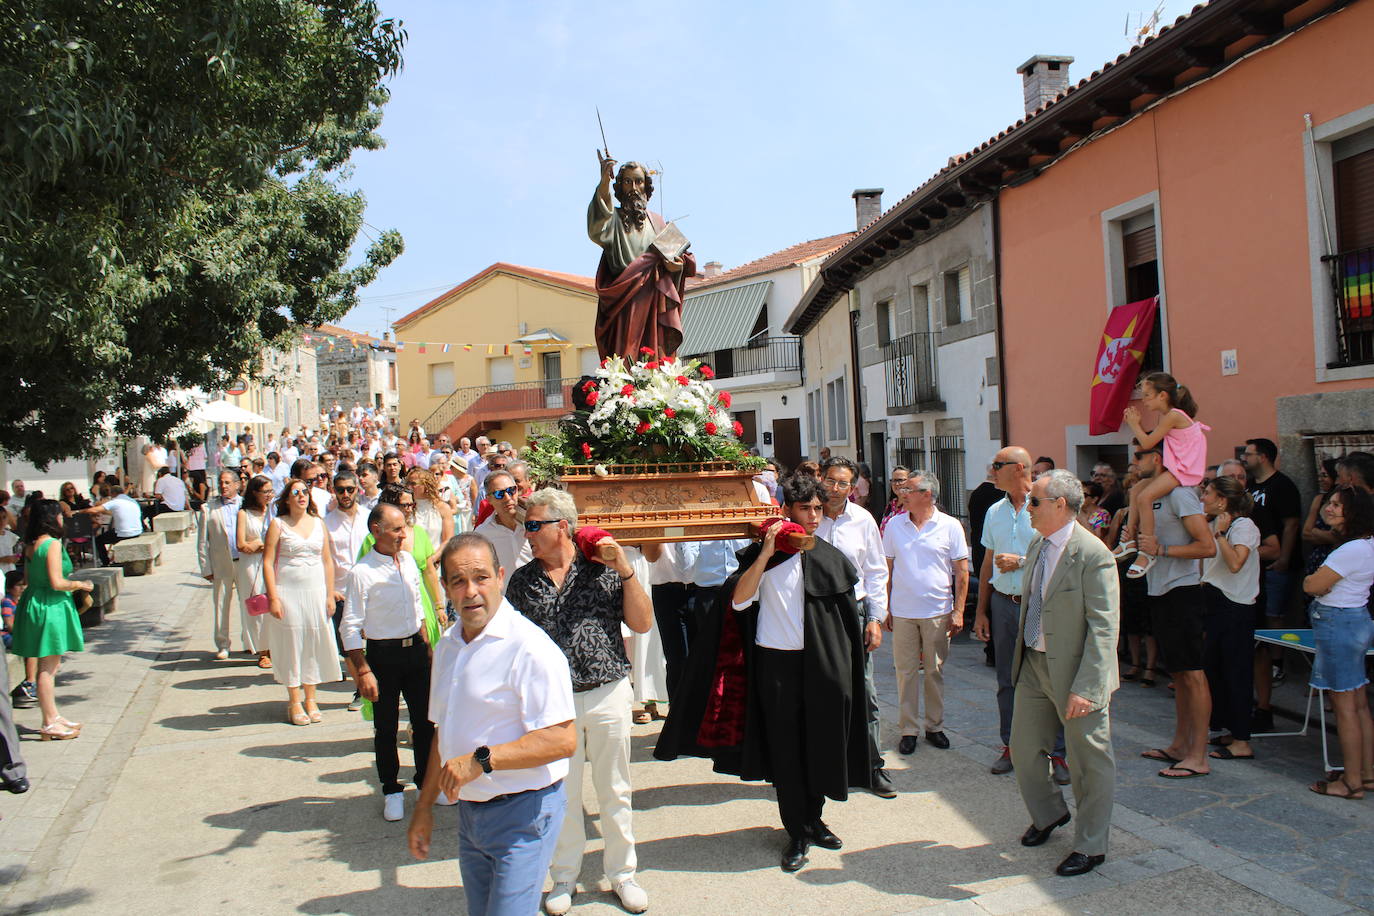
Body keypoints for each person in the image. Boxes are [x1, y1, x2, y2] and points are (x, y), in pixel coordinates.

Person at [655, 475, 871, 873]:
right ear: (786, 510)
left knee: (821, 745)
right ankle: (797, 831)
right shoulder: (763, 556)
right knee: (786, 751)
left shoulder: (829, 557)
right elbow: (738, 602)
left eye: (817, 509)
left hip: (821, 667)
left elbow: (845, 617)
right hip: (775, 667)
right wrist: (767, 550)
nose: (812, 516)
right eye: (804, 508)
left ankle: (815, 818)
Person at [408, 534, 577, 916]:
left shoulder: (530, 648)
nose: (471, 591)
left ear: (500, 576)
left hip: (524, 814)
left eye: (481, 577)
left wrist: (481, 760)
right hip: (471, 816)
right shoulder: (450, 646)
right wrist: (423, 808)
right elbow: (443, 733)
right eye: (458, 581)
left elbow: (563, 740)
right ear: (445, 587)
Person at [502, 489, 651, 914]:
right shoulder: (523, 581)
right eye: (525, 526)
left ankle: (623, 874)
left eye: (534, 525)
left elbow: (641, 623)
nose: (527, 533)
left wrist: (625, 569)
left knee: (615, 791)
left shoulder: (603, 570)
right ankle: (564, 877)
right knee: (560, 796)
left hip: (606, 692)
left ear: (561, 527)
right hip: (552, 706)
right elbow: (511, 646)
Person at [1010, 470, 1119, 878]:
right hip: (1035, 666)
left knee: (1089, 762)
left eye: (1034, 500)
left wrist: (1088, 688)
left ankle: (1092, 846)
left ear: (1059, 504)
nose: (1028, 506)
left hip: (1076, 675)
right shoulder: (1039, 543)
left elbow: (1105, 627)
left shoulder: (1093, 554)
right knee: (1022, 750)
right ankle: (1050, 814)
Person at [973, 447, 1067, 779]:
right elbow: (987, 562)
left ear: (1019, 469)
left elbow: (1063, 556)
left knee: (1049, 679)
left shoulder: (1048, 504)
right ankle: (1012, 745)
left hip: (1040, 604)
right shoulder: (994, 510)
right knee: (1006, 679)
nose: (992, 470)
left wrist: (1021, 563)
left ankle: (1058, 753)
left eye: (997, 466)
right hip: (1003, 603)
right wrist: (981, 611)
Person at [342, 503, 440, 821]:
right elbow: (350, 626)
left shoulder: (409, 561)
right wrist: (363, 671)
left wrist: (427, 646)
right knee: (385, 728)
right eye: (397, 529)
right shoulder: (362, 572)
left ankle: (426, 783)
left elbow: (417, 607)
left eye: (404, 527)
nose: (403, 534)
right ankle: (391, 789)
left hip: (416, 652)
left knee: (425, 723)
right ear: (377, 531)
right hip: (382, 657)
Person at [1134, 444, 1217, 779]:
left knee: (1194, 674)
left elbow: (1207, 546)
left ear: (1158, 460)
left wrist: (1162, 549)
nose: (1134, 462)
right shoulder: (1150, 496)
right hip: (1159, 590)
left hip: (1182, 593)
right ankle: (1180, 745)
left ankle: (1199, 756)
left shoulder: (1181, 494)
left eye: (1139, 456)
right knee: (1179, 674)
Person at [815, 457, 891, 798]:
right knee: (820, 690)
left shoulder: (863, 521)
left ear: (853, 487)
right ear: (821, 478)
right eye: (830, 480)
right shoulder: (806, 517)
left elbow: (875, 572)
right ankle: (820, 766)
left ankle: (872, 766)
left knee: (864, 690)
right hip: (814, 610)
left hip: (853, 609)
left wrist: (875, 619)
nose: (834, 489)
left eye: (842, 483)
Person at [884, 470, 969, 756]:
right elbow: (888, 570)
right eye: (902, 489)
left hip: (937, 611)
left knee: (934, 671)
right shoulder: (895, 526)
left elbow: (961, 571)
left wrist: (958, 611)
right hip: (904, 611)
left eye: (908, 490)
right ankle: (908, 729)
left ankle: (935, 726)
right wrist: (885, 607)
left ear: (927, 495)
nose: (902, 494)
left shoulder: (950, 526)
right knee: (905, 672)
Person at [1301, 485, 1374, 799]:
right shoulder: (1365, 544)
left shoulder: (1351, 549)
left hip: (1338, 622)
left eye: (1336, 505)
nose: (1328, 509)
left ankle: (1351, 782)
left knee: (1344, 706)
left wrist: (1315, 582)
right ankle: (1366, 774)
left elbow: (1313, 584)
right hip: (1354, 620)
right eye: (1329, 503)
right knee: (1358, 704)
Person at [589, 153, 696, 360]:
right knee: (625, 356)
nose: (634, 187)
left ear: (646, 186)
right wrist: (603, 182)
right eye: (628, 182)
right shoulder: (613, 220)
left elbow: (679, 257)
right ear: (620, 187)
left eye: (638, 181)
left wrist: (676, 268)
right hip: (624, 300)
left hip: (654, 300)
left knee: (653, 356)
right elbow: (597, 225)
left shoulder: (657, 221)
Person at [10, 501, 93, 740]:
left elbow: (28, 579)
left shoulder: (30, 545)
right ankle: (49, 721)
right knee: (48, 667)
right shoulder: (53, 544)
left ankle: (53, 715)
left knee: (46, 664)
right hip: (51, 605)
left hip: (34, 601)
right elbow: (57, 582)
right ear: (52, 517)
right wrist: (80, 584)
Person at [262, 478, 342, 726]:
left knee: (312, 642)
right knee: (292, 643)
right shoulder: (278, 524)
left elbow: (328, 561)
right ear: (287, 498)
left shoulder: (319, 523)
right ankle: (294, 699)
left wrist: (329, 594)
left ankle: (311, 698)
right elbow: (267, 561)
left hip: (315, 590)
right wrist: (273, 597)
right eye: (295, 492)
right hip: (288, 592)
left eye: (305, 492)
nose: (301, 496)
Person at [1119, 372, 1209, 578]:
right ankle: (1129, 540)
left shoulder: (1174, 415)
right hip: (1177, 467)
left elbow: (1147, 444)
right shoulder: (1169, 417)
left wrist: (1133, 423)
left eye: (1147, 395)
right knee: (1136, 490)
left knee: (1145, 497)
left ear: (1162, 396)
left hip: (1183, 470)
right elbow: (1150, 441)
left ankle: (1147, 551)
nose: (1144, 400)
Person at [1243, 437, 1303, 733]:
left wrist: (1283, 559)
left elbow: (1291, 524)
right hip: (1252, 571)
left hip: (1273, 566)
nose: (1245, 458)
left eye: (1249, 454)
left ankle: (1278, 664)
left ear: (1264, 457)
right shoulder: (1251, 490)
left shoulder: (1282, 486)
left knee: (1273, 619)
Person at [1199, 476, 1260, 763]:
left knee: (1236, 672)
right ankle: (1231, 729)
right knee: (1217, 670)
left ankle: (1242, 740)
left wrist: (1221, 535)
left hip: (1235, 606)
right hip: (1217, 603)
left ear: (1223, 500)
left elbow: (1236, 563)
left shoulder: (1244, 526)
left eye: (1208, 493)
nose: (1203, 498)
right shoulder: (1216, 524)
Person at [197, 471, 245, 660]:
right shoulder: (209, 508)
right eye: (221, 482)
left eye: (227, 483)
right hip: (221, 563)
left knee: (248, 603)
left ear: (236, 485)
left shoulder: (245, 504)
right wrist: (205, 567)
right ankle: (223, 643)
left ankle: (249, 641)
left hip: (243, 562)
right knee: (221, 604)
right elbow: (202, 541)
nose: (224, 486)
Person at [234, 476, 275, 669]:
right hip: (252, 565)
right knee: (259, 605)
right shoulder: (244, 514)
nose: (269, 495)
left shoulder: (274, 511)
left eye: (270, 491)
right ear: (254, 492)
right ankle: (262, 650)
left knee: (275, 601)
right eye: (265, 491)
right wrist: (261, 545)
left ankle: (275, 646)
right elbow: (241, 544)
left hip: (273, 561)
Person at [473, 471, 531, 592]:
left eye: (511, 490)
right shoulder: (482, 535)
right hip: (505, 600)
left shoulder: (534, 523)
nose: (507, 497)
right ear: (488, 499)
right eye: (499, 494)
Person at [1302, 458, 1341, 578]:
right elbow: (1306, 534)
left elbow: (1340, 537)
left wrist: (1315, 532)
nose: (1320, 479)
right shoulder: (1319, 500)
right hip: (1317, 560)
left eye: (1325, 475)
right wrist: (1328, 536)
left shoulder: (1349, 502)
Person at [406, 468, 454, 549]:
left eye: (413, 484)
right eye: (408, 483)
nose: (409, 487)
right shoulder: (405, 507)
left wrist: (433, 559)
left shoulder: (443, 508)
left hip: (436, 558)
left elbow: (447, 540)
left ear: (426, 485)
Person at [879, 466, 911, 533]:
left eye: (900, 480)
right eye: (894, 480)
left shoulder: (912, 506)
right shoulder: (891, 505)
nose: (896, 484)